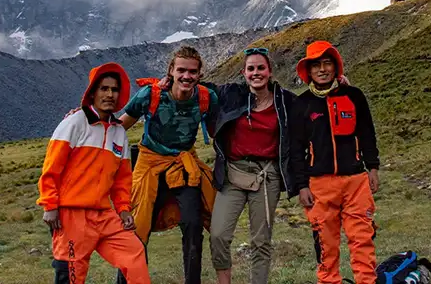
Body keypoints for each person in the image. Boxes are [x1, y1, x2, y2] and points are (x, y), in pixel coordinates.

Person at [37, 62, 150, 284]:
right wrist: (50, 206)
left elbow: (122, 180)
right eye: (104, 89)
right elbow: (52, 167)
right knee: (71, 274)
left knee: (135, 254)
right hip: (72, 216)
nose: (109, 94)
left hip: (104, 215)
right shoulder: (75, 122)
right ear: (92, 92)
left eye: (114, 90)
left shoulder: (119, 132)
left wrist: (124, 209)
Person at [116, 46, 220, 284]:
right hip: (149, 161)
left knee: (193, 224)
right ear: (171, 71)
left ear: (200, 74)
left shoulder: (206, 97)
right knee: (136, 227)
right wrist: (86, 122)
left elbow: (220, 126)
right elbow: (121, 124)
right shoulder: (150, 95)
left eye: (192, 71)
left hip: (183, 164)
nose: (187, 76)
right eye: (181, 70)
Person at [289, 40, 381, 284]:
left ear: (336, 66)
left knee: (362, 239)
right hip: (319, 185)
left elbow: (367, 133)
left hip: (356, 182)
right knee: (325, 246)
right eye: (316, 65)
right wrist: (301, 185)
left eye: (327, 63)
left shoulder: (354, 96)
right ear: (307, 71)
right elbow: (295, 150)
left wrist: (372, 167)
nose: (322, 69)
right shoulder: (301, 104)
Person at [209, 47, 298, 284]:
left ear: (269, 71)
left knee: (261, 241)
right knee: (218, 235)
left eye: (261, 68)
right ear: (243, 72)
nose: (256, 73)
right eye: (251, 69)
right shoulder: (231, 94)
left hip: (267, 176)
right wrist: (167, 84)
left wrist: (341, 86)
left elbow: (314, 106)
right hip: (233, 174)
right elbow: (201, 90)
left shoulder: (286, 101)